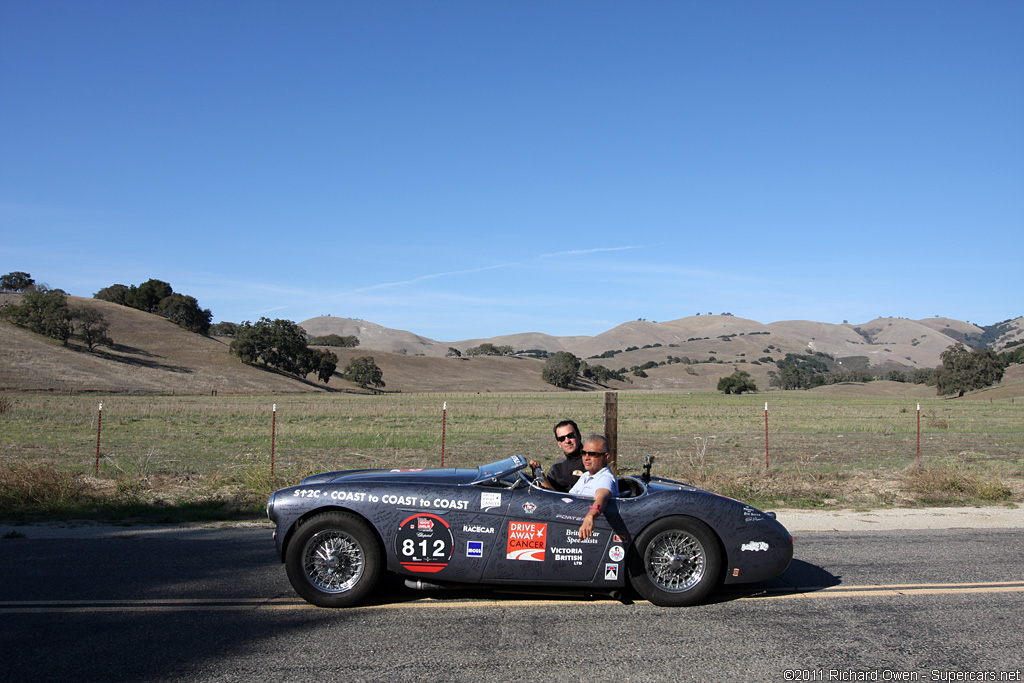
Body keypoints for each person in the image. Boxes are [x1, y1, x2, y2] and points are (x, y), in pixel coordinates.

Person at [569, 434, 619, 541]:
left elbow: (602, 497)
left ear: (606, 457)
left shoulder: (605, 478)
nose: (586, 457)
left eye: (592, 454)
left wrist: (590, 516)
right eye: (584, 453)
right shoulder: (585, 475)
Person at [529, 420, 584, 492]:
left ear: (579, 437)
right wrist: (538, 472)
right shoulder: (556, 469)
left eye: (570, 436)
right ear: (559, 444)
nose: (567, 441)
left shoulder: (592, 462)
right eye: (562, 439)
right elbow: (550, 494)